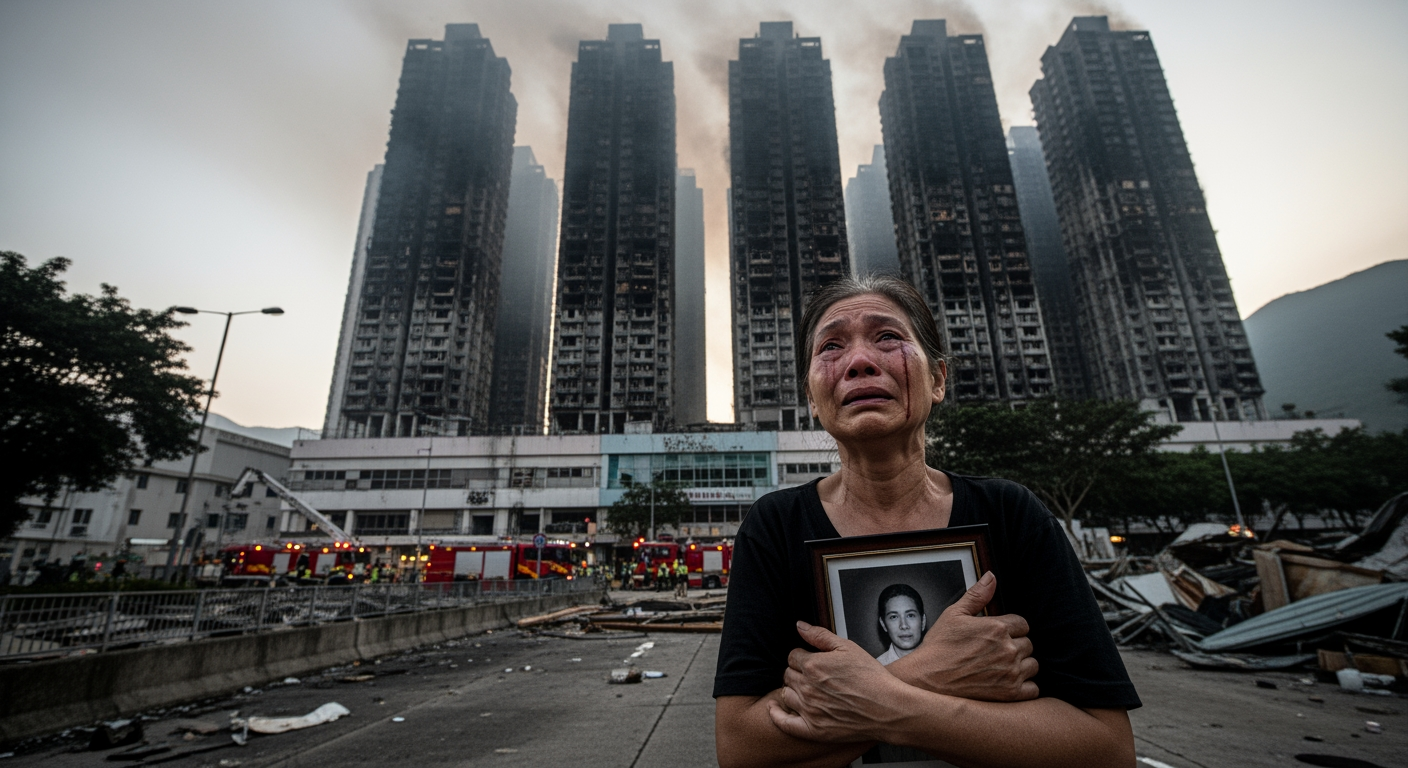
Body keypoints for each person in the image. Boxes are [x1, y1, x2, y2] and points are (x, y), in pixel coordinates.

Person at [713, 275, 1139, 768]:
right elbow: (742, 748)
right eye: (831, 346)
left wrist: (866, 696)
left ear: (938, 379)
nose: (859, 362)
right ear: (812, 396)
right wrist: (937, 671)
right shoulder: (774, 526)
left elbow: (1106, 748)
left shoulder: (1010, 514)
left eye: (888, 337)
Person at [873, 584, 925, 665]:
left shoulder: (943, 664)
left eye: (910, 615)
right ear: (883, 624)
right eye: (894, 617)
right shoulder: (876, 670)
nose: (904, 625)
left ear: (923, 621)